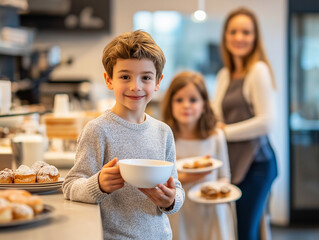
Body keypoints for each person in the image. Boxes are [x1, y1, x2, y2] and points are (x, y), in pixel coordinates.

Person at [62, 30, 185, 240]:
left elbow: (176, 187)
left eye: (145, 77)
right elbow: (70, 185)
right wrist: (98, 184)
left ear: (158, 81)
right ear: (109, 80)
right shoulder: (98, 130)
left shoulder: (163, 132)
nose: (135, 86)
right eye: (125, 76)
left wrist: (171, 200)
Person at [212, 7, 278, 240]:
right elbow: (216, 117)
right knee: (239, 228)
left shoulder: (258, 70)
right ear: (225, 36)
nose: (239, 38)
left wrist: (224, 132)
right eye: (234, 32)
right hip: (235, 163)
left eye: (246, 32)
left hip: (257, 164)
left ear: (255, 37)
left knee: (245, 232)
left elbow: (266, 123)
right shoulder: (224, 75)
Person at [162, 71, 236, 240]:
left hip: (211, 212)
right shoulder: (167, 138)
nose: (186, 105)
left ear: (204, 105)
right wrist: (188, 178)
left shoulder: (215, 136)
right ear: (170, 104)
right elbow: (163, 181)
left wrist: (216, 191)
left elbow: (225, 177)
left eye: (193, 100)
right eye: (179, 100)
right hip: (180, 211)